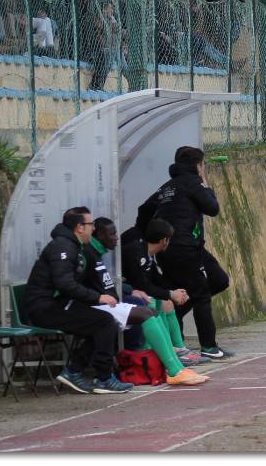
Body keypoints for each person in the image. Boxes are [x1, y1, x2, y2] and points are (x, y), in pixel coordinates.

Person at [85, 219, 209, 385]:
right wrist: (130, 291)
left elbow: (151, 282)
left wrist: (171, 293)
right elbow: (139, 285)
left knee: (157, 303)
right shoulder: (92, 254)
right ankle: (169, 365)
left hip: (112, 300)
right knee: (148, 305)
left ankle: (176, 362)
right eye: (112, 234)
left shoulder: (96, 253)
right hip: (97, 305)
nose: (117, 238)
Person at [138, 146, 233, 360]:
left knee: (218, 279)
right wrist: (205, 184)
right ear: (198, 165)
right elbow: (213, 208)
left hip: (174, 249)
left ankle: (175, 315)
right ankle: (209, 347)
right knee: (201, 294)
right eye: (203, 165)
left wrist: (148, 235)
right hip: (185, 247)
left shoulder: (167, 188)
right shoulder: (194, 183)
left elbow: (143, 210)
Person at [23, 207, 132, 394]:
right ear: (80, 227)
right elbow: (64, 283)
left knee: (100, 320)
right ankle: (103, 378)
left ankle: (74, 371)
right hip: (44, 308)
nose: (93, 229)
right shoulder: (63, 247)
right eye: (91, 225)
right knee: (104, 322)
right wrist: (97, 297)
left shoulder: (73, 245)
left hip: (54, 304)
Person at [120, 219, 209, 366]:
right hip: (127, 294)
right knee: (156, 302)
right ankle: (163, 351)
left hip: (139, 293)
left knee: (167, 303)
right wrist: (169, 294)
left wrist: (175, 292)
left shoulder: (148, 253)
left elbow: (157, 279)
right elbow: (143, 285)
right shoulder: (135, 252)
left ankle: (179, 349)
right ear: (164, 240)